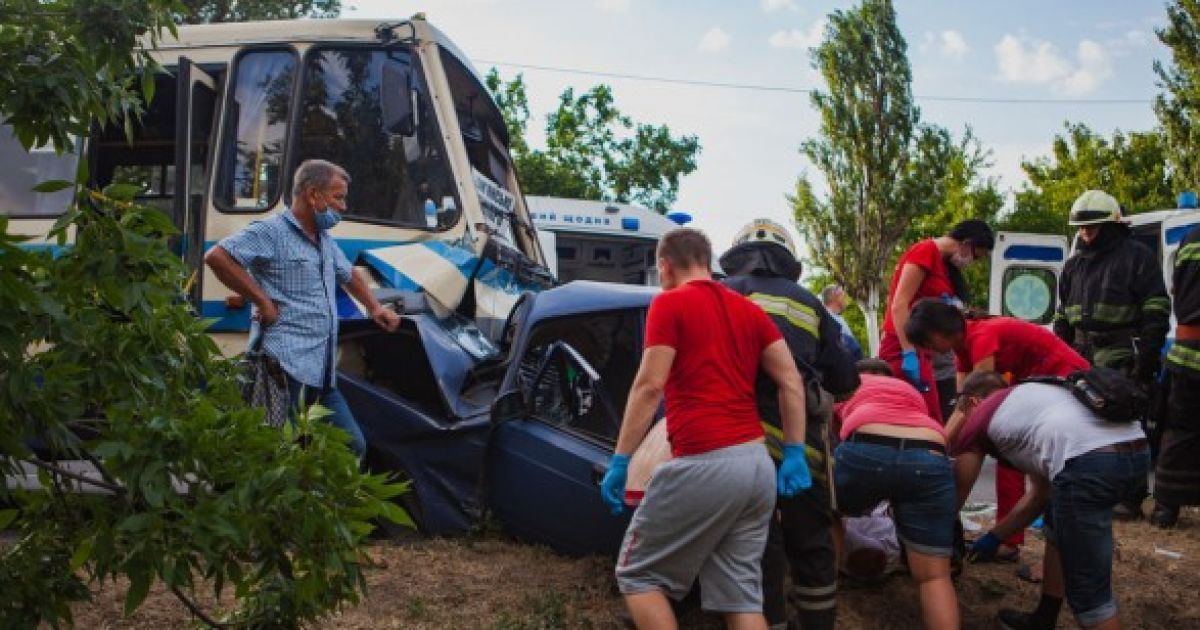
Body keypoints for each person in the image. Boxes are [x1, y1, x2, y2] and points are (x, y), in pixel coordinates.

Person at [599, 228, 812, 630]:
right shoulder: (751, 311)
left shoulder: (670, 304)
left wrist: (621, 459)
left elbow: (648, 386)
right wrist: (795, 451)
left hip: (705, 461)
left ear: (665, 265)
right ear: (707, 260)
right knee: (741, 594)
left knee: (639, 576)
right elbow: (790, 380)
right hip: (756, 466)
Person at [204, 159, 401, 457]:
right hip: (282, 367)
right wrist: (262, 301)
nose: (343, 206)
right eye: (338, 197)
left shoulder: (323, 239)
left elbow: (347, 274)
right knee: (274, 453)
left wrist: (375, 308)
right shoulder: (271, 232)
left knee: (351, 446)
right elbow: (218, 257)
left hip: (319, 370)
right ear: (313, 194)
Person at [720, 219, 860, 629]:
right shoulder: (809, 303)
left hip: (735, 444)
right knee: (812, 544)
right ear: (788, 260)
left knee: (757, 544)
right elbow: (844, 380)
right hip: (800, 449)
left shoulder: (716, 294)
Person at [950, 371, 1149, 630]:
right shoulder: (1031, 397)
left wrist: (942, 540)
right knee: (1057, 523)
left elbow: (957, 494)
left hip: (1089, 463)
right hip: (1137, 451)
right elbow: (1041, 496)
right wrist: (995, 537)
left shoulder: (979, 421)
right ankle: (1044, 618)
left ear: (973, 402)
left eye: (960, 408)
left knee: (1089, 592)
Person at [905, 299, 1091, 561]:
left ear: (940, 332)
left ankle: (976, 535)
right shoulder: (963, 344)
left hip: (1065, 378)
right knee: (971, 443)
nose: (927, 351)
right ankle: (951, 527)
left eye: (926, 343)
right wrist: (942, 444)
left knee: (992, 448)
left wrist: (937, 446)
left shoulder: (982, 335)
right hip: (1038, 384)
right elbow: (962, 401)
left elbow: (974, 403)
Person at [1054, 190, 1169, 518]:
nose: (1085, 233)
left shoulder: (1137, 257)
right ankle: (1087, 486)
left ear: (1112, 224)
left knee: (1127, 426)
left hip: (1121, 354)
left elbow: (1156, 311)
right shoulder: (1074, 265)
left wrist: (1145, 367)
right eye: (1081, 228)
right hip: (1080, 354)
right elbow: (1063, 315)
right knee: (1078, 422)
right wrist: (1058, 354)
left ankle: (1131, 498)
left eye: (1092, 227)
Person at [833, 371, 959, 629]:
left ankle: (832, 578)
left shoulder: (847, 380)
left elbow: (833, 435)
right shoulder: (907, 389)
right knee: (935, 577)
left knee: (828, 511)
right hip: (929, 454)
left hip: (866, 445)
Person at [879, 219, 995, 420]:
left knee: (929, 416)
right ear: (967, 243)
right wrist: (908, 353)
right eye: (977, 256)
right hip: (903, 346)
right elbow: (899, 305)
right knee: (927, 416)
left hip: (921, 349)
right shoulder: (925, 252)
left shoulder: (943, 266)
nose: (972, 262)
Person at [1151, 222, 1200, 528]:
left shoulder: (1190, 239)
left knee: (1180, 431)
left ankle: (1165, 508)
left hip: (1185, 352)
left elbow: (1175, 289)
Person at [820, 284, 864, 362]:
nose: (845, 298)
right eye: (843, 295)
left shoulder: (835, 318)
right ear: (835, 295)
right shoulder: (828, 318)